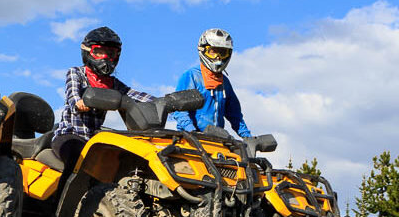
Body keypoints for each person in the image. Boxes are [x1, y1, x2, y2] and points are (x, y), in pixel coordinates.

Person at [48, 26, 154, 170]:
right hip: (69, 135)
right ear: (87, 52)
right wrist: (79, 102)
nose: (105, 58)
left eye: (110, 53)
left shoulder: (113, 83)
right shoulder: (76, 73)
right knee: (77, 160)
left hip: (95, 139)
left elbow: (133, 94)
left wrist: (162, 102)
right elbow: (72, 93)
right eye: (99, 52)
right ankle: (63, 192)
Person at [172, 28, 251, 138]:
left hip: (216, 139)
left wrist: (248, 137)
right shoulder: (191, 76)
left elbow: (235, 115)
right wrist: (191, 131)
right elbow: (179, 110)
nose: (218, 57)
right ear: (203, 50)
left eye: (222, 53)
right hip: (190, 139)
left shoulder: (224, 82)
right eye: (213, 51)